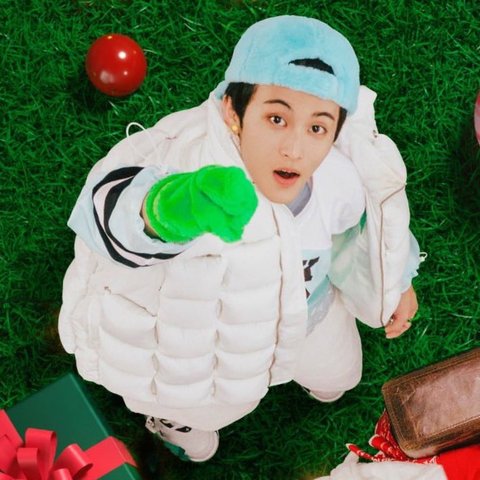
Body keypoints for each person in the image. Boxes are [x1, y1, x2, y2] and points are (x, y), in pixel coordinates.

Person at [59, 15, 422, 462]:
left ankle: (306, 374)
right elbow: (110, 215)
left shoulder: (338, 181)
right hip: (212, 342)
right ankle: (177, 420)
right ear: (233, 111)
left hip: (311, 314)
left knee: (340, 377)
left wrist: (397, 278)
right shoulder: (188, 165)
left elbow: (365, 230)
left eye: (317, 127)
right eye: (276, 118)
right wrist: (168, 209)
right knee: (213, 406)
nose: (294, 149)